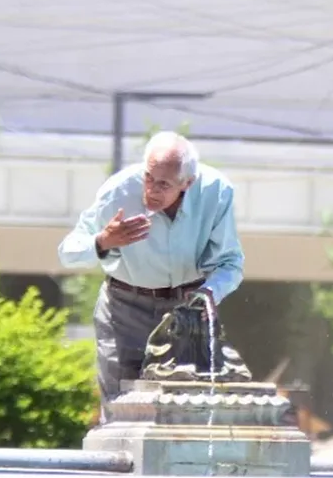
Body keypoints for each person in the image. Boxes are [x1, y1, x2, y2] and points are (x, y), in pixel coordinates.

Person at [58, 131, 244, 409]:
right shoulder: (118, 191)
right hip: (124, 310)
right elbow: (68, 253)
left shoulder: (216, 192)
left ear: (187, 183)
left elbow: (230, 264)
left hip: (186, 311)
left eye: (164, 184)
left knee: (187, 407)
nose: (152, 190)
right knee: (122, 408)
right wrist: (103, 241)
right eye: (148, 177)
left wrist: (208, 293)